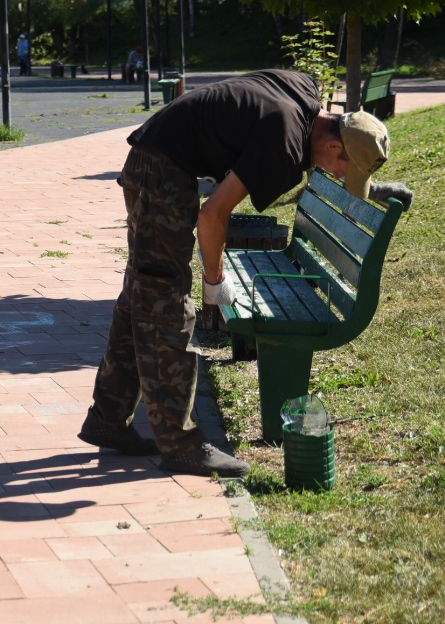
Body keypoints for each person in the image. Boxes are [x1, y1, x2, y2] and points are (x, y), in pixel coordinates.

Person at [77, 68, 390, 477]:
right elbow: (213, 215)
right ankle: (180, 445)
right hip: (162, 172)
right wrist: (213, 280)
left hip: (157, 158)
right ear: (332, 144)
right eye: (341, 170)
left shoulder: (303, 95)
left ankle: (108, 418)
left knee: (142, 294)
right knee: (167, 304)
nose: (335, 177)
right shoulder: (284, 139)